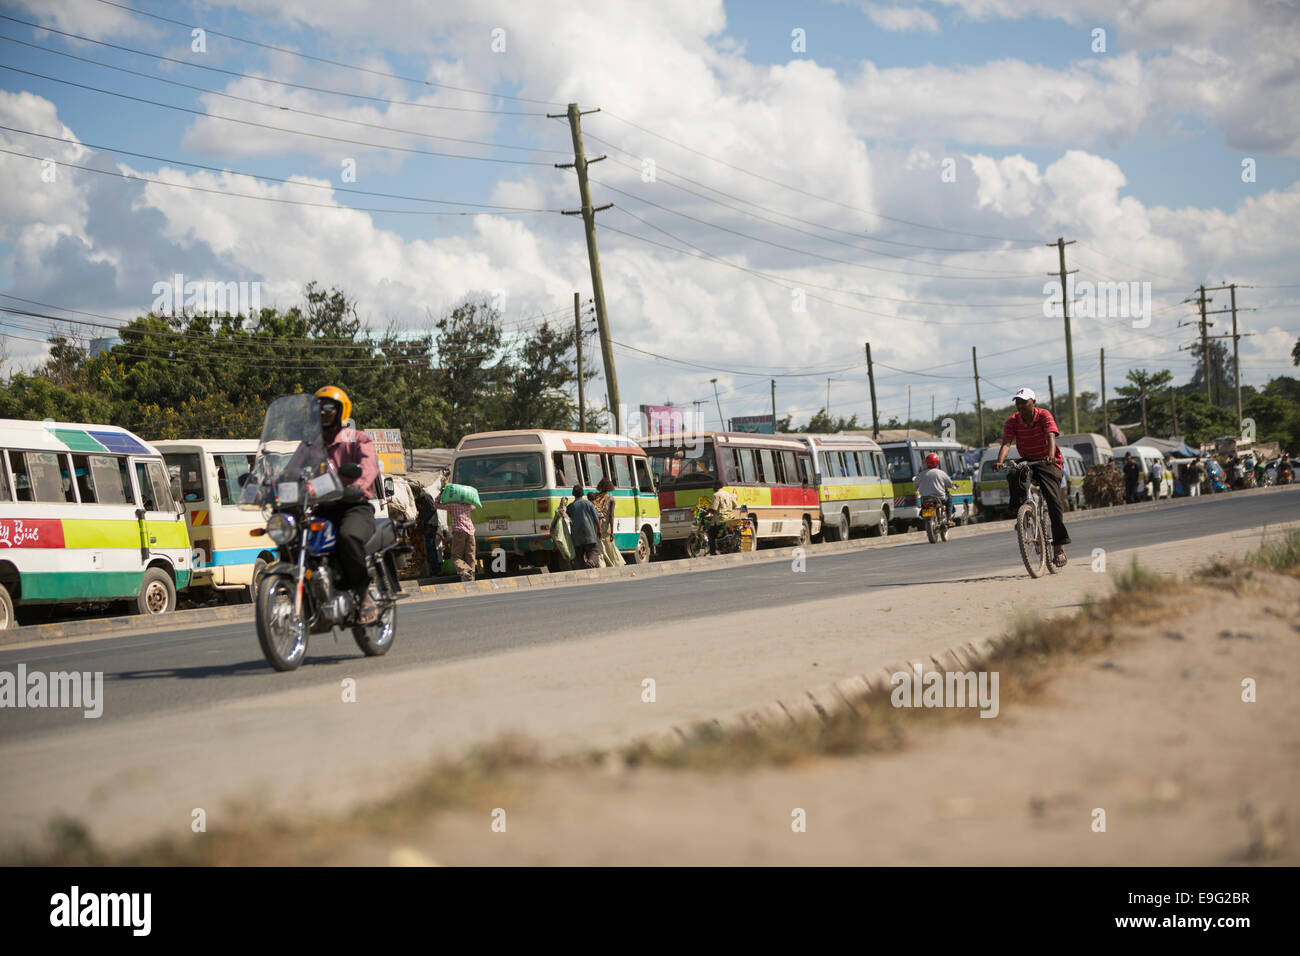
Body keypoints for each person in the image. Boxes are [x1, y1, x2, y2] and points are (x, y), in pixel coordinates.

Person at [314, 386, 381, 624]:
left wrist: (359, 485)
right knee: (294, 537)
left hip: (354, 505)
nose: (323, 412)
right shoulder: (311, 445)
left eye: (328, 408)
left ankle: (364, 595)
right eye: (318, 408)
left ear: (341, 410)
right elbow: (293, 469)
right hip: (323, 508)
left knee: (347, 537)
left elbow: (370, 467)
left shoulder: (358, 438)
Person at [994, 386, 1071, 567]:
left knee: (1053, 501)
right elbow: (1006, 443)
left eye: (1024, 402)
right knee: (1013, 472)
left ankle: (1059, 547)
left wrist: (1050, 456)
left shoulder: (1044, 415)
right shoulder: (1012, 421)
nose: (1020, 406)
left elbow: (1051, 436)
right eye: (1018, 402)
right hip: (1028, 459)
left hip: (1048, 461)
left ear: (1033, 402)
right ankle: (1022, 513)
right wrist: (1000, 461)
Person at [435, 484, 477, 581]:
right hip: (471, 532)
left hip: (459, 531)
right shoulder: (468, 505)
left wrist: (441, 493)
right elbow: (474, 505)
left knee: (456, 556)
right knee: (470, 556)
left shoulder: (451, 504)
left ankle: (465, 570)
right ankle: (472, 578)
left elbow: (436, 504)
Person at [914, 452, 956, 528]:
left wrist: (917, 489)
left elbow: (915, 487)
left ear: (926, 463)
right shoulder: (941, 473)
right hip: (939, 498)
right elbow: (950, 484)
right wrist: (954, 486)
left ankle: (922, 513)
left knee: (924, 507)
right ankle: (949, 518)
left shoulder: (920, 474)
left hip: (925, 499)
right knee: (949, 498)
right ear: (937, 463)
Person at [566, 484, 600, 568]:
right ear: (582, 493)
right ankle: (590, 563)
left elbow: (566, 518)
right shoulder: (589, 504)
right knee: (593, 551)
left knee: (578, 555)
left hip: (576, 535)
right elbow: (596, 519)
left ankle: (581, 568)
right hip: (589, 534)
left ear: (573, 494)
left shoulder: (570, 507)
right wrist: (599, 530)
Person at [707, 478, 739, 555]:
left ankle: (713, 552)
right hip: (729, 518)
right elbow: (735, 505)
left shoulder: (716, 495)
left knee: (711, 534)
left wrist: (706, 512)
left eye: (713, 486)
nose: (712, 487)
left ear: (717, 486)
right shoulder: (728, 494)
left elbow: (713, 509)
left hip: (720, 519)